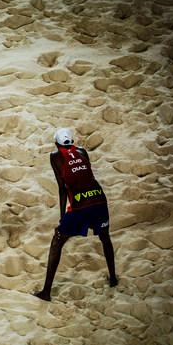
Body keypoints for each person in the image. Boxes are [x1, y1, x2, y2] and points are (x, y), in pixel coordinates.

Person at [34, 128, 118, 301]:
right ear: (72, 141)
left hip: (80, 205)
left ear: (56, 143)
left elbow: (62, 188)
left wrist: (62, 215)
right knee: (105, 237)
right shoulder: (83, 151)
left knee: (57, 240)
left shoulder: (54, 157)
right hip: (99, 198)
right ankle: (113, 279)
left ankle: (46, 292)